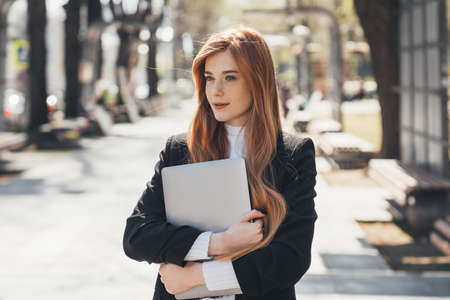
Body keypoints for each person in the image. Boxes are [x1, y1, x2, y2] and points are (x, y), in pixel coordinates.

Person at [123, 27, 318, 300]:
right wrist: (219, 242)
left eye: (230, 77)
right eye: (209, 78)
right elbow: (137, 236)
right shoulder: (179, 150)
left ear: (257, 81)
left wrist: (196, 277)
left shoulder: (292, 154)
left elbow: (290, 259)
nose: (216, 90)